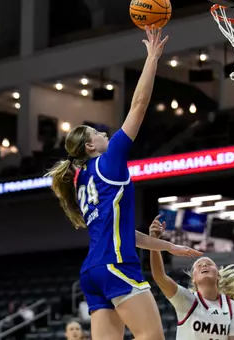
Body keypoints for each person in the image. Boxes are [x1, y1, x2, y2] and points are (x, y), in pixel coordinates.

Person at [45, 26, 201, 340]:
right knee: (151, 336)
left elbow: (125, 233)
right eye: (97, 133)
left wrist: (168, 246)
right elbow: (139, 105)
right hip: (116, 265)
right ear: (91, 146)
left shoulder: (82, 180)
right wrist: (152, 59)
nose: (105, 133)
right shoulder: (109, 160)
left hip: (93, 272)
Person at [149, 217, 234, 340]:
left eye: (209, 264)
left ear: (218, 275)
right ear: (193, 279)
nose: (204, 265)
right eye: (199, 266)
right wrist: (154, 241)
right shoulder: (186, 300)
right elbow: (159, 276)